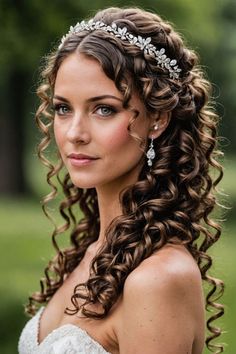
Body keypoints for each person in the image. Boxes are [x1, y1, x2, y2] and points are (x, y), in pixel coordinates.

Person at [18, 6, 225, 354]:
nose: (74, 133)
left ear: (157, 118)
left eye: (104, 109)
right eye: (63, 108)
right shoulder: (93, 251)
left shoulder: (158, 278)